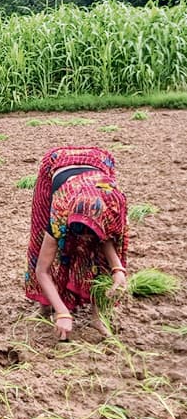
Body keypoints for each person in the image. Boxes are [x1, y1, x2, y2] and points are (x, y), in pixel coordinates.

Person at [25, 146, 129, 341]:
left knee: (98, 253)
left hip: (99, 164)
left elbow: (104, 238)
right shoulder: (61, 209)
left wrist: (117, 268)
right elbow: (42, 270)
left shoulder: (112, 206)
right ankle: (45, 306)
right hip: (57, 164)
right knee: (39, 240)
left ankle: (98, 317)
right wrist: (62, 312)